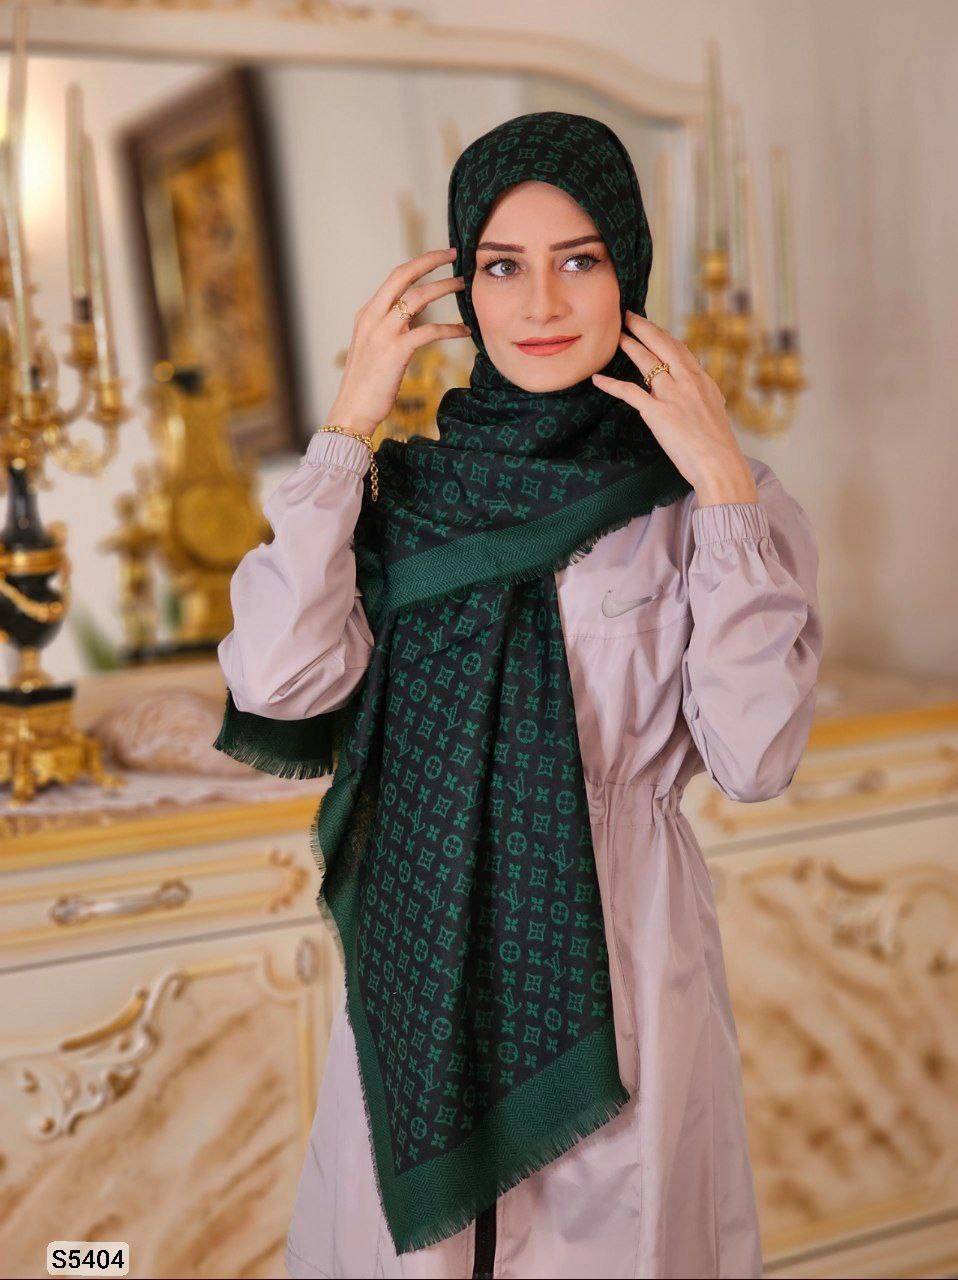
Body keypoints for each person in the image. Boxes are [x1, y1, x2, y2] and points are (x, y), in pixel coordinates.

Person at [214, 110, 823, 1280]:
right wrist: (348, 425)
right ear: (461, 285)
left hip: (619, 955)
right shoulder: (399, 497)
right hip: (423, 955)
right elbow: (280, 679)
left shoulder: (707, 504)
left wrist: (722, 482)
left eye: (577, 260)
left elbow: (755, 756)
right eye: (501, 265)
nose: (540, 302)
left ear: (627, 270)